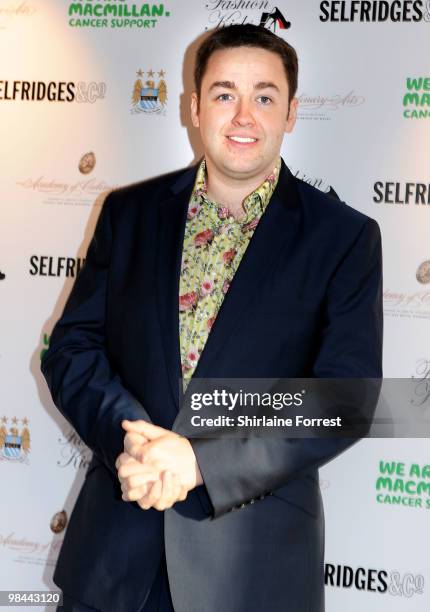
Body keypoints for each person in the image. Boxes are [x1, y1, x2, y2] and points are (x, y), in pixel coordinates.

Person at [41, 24, 383, 612]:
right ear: (195, 107)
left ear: (292, 113)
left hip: (254, 571)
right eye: (225, 94)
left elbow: (344, 397)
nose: (244, 115)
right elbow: (72, 348)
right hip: (115, 563)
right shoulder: (128, 214)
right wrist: (134, 439)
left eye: (265, 97)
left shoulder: (345, 238)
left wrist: (201, 463)